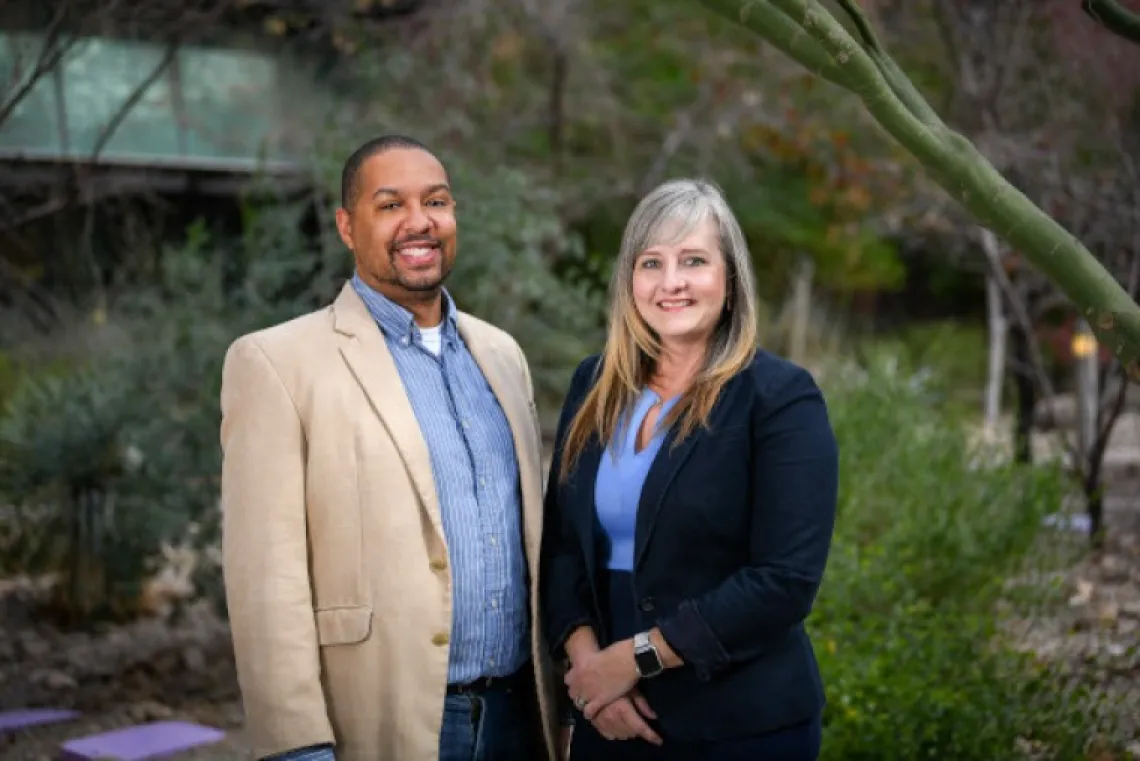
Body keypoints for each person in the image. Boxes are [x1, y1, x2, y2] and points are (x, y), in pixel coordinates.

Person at [219, 135, 561, 761]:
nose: (419, 222)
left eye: (436, 201)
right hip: (388, 722)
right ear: (348, 227)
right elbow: (266, 579)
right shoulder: (277, 362)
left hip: (522, 717)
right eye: (390, 205)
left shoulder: (502, 356)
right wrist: (296, 745)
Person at [539, 178, 840, 761]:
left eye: (694, 261)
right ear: (630, 282)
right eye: (651, 262)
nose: (671, 282)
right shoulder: (593, 386)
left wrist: (632, 660)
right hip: (610, 723)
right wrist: (591, 677)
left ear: (729, 282)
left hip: (742, 728)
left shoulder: (779, 399)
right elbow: (562, 548)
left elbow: (784, 580)